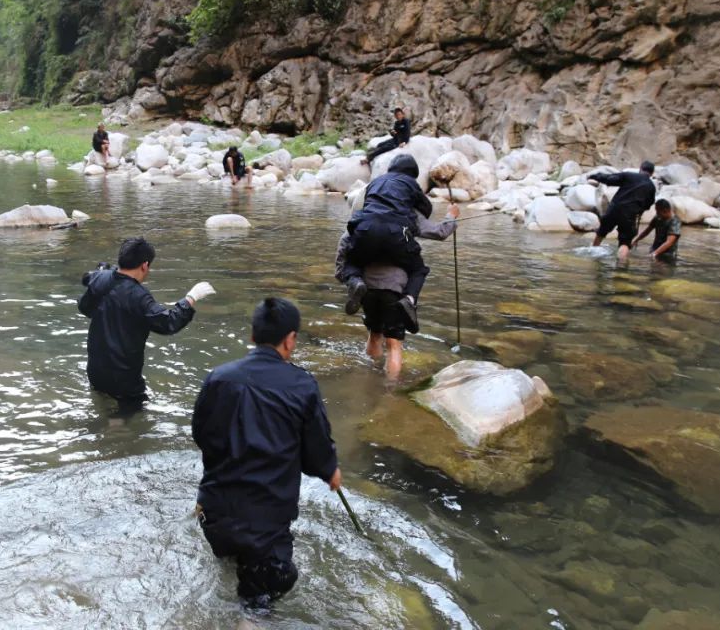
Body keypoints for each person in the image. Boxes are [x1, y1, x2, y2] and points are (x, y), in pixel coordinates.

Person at [192, 298, 340, 609]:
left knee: (232, 560)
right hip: (264, 523)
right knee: (262, 600)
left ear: (252, 336)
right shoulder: (302, 385)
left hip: (213, 512)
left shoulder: (219, 377)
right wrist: (330, 471)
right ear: (290, 340)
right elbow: (316, 452)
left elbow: (201, 434)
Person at [78, 237, 214, 413]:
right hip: (124, 378)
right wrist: (191, 297)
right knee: (128, 418)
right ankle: (116, 431)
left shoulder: (100, 280)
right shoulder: (139, 296)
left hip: (96, 370)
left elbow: (84, 308)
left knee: (103, 405)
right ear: (144, 265)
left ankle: (107, 430)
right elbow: (168, 323)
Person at [335, 205, 460, 377]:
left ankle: (369, 380)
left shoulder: (363, 221)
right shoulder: (405, 215)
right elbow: (440, 232)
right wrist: (451, 215)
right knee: (394, 344)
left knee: (374, 334)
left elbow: (343, 255)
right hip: (395, 287)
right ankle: (390, 391)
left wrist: (349, 278)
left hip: (367, 287)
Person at [339, 153, 433, 333]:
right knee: (418, 269)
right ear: (412, 173)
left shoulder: (376, 181)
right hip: (396, 233)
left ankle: (355, 281)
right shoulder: (410, 183)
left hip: (365, 229)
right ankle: (409, 300)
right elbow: (427, 209)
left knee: (352, 261)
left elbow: (363, 205)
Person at [589, 160, 657, 263]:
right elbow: (649, 204)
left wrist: (594, 176)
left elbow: (609, 179)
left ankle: (592, 256)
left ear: (640, 169)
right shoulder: (651, 187)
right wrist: (640, 210)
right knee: (625, 242)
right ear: (652, 173)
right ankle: (621, 268)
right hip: (630, 214)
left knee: (601, 232)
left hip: (614, 209)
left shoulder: (628, 176)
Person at [633, 198, 681, 262]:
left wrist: (654, 254)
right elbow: (647, 230)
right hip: (655, 249)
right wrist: (636, 240)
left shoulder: (675, 221)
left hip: (668, 254)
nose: (657, 213)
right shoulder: (657, 217)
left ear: (665, 210)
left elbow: (669, 242)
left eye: (658, 211)